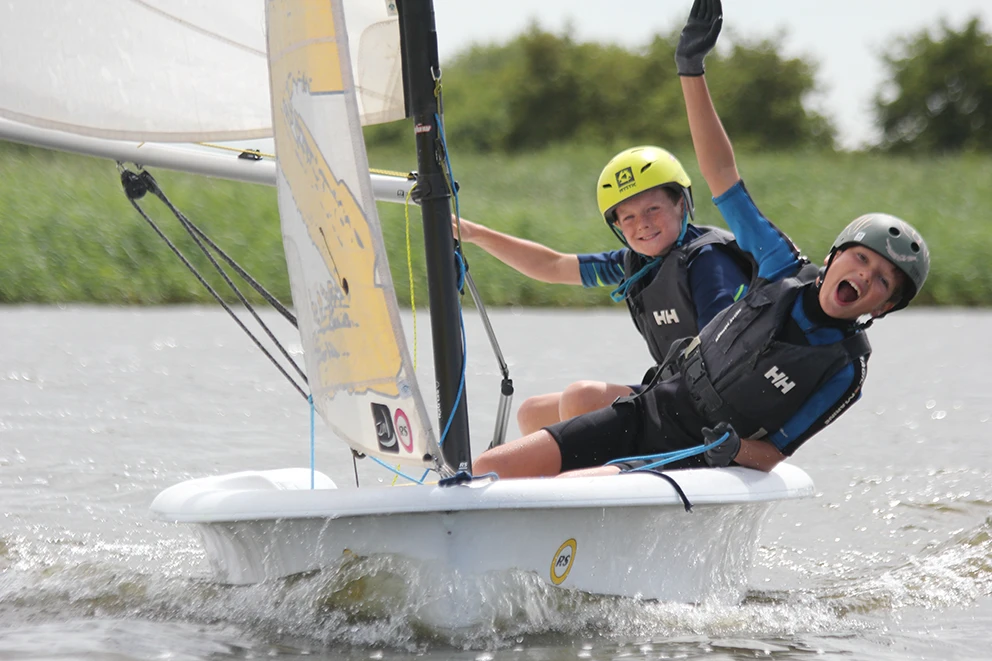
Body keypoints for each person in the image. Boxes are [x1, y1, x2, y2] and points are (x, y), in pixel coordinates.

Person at [472, 0, 930, 479]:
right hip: (647, 410)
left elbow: (773, 453)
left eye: (882, 281)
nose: (864, 275)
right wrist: (690, 69)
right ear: (834, 256)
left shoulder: (844, 370)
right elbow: (723, 176)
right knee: (491, 469)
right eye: (860, 258)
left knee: (569, 480)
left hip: (689, 450)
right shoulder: (779, 265)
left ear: (882, 308)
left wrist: (732, 449)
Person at [454, 146, 752, 436]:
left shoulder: (708, 260)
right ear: (619, 226)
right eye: (629, 217)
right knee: (533, 412)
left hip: (713, 408)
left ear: (681, 205)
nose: (643, 225)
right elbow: (553, 266)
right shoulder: (636, 264)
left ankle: (604, 474)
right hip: (675, 394)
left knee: (581, 398)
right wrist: (474, 235)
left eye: (653, 209)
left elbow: (724, 356)